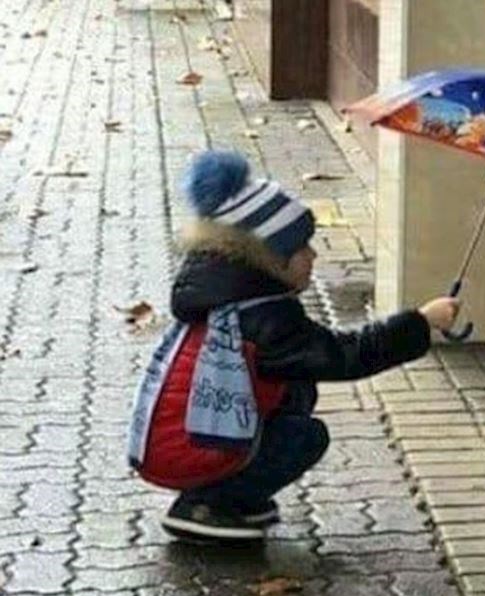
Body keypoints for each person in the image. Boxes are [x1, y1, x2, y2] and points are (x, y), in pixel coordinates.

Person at [157, 150, 459, 541]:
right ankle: (210, 502)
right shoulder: (263, 319)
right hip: (186, 447)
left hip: (181, 439)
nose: (313, 256)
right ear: (272, 258)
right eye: (302, 248)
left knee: (296, 388)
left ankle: (225, 491)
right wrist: (422, 322)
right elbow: (345, 354)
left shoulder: (227, 300)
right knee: (305, 436)